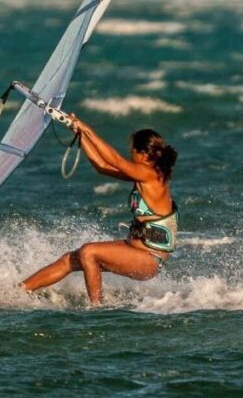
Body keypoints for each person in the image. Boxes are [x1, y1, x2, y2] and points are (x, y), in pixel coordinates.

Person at [21, 120, 178, 304]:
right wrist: (81, 134)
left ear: (142, 154)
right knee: (71, 259)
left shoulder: (149, 174)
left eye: (132, 151)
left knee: (89, 252)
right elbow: (102, 167)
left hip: (148, 259)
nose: (130, 154)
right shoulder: (144, 175)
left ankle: (96, 308)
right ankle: (20, 290)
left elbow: (116, 160)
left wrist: (88, 129)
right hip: (135, 250)